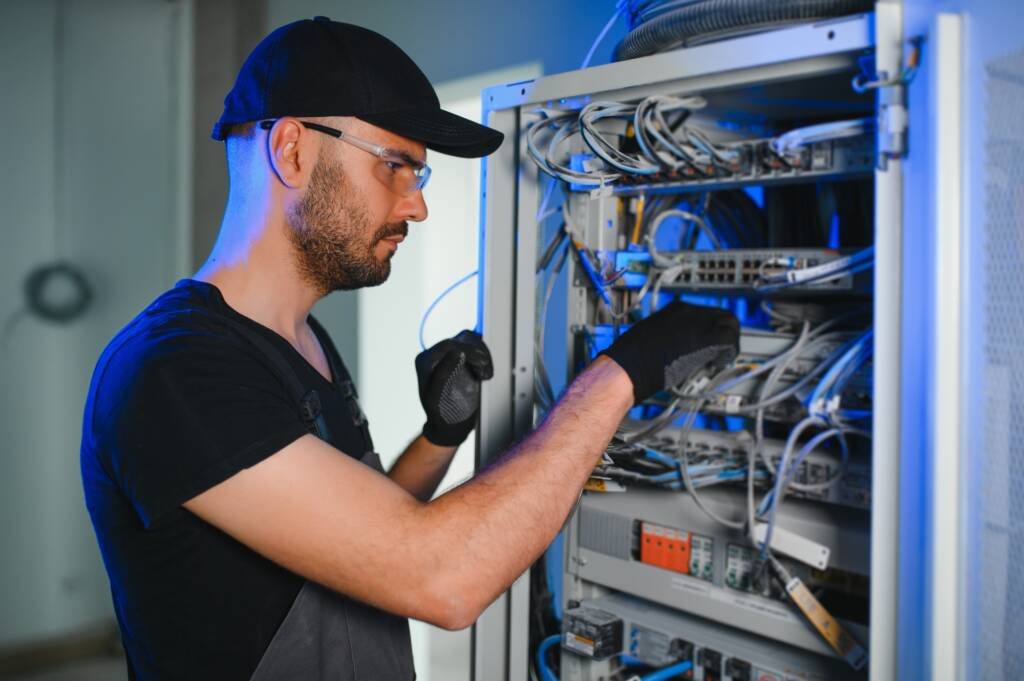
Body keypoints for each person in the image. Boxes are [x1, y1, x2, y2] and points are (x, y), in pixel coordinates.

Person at [80, 16, 740, 681]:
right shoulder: (173, 370)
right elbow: (441, 576)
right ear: (291, 150)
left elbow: (353, 546)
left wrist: (441, 435)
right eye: (396, 167)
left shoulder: (303, 339)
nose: (417, 206)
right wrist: (620, 373)